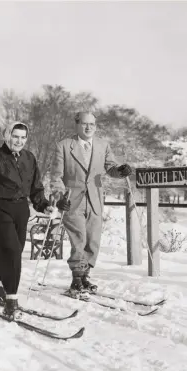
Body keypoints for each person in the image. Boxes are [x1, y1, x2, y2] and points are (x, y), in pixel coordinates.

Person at [0, 121, 56, 320]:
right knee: (12, 252)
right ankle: (11, 300)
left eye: (23, 137)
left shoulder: (29, 158)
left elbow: (36, 189)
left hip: (21, 210)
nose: (19, 141)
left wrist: (44, 206)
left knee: (14, 251)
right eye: (15, 136)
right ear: (6, 135)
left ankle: (1, 286)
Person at [50, 111, 133, 298]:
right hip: (72, 200)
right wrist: (59, 196)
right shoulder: (63, 146)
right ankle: (76, 278)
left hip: (95, 199)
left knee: (93, 240)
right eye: (85, 124)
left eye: (92, 125)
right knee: (78, 238)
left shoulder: (102, 145)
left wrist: (120, 171)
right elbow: (56, 176)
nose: (89, 128)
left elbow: (111, 168)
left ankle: (85, 275)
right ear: (77, 125)